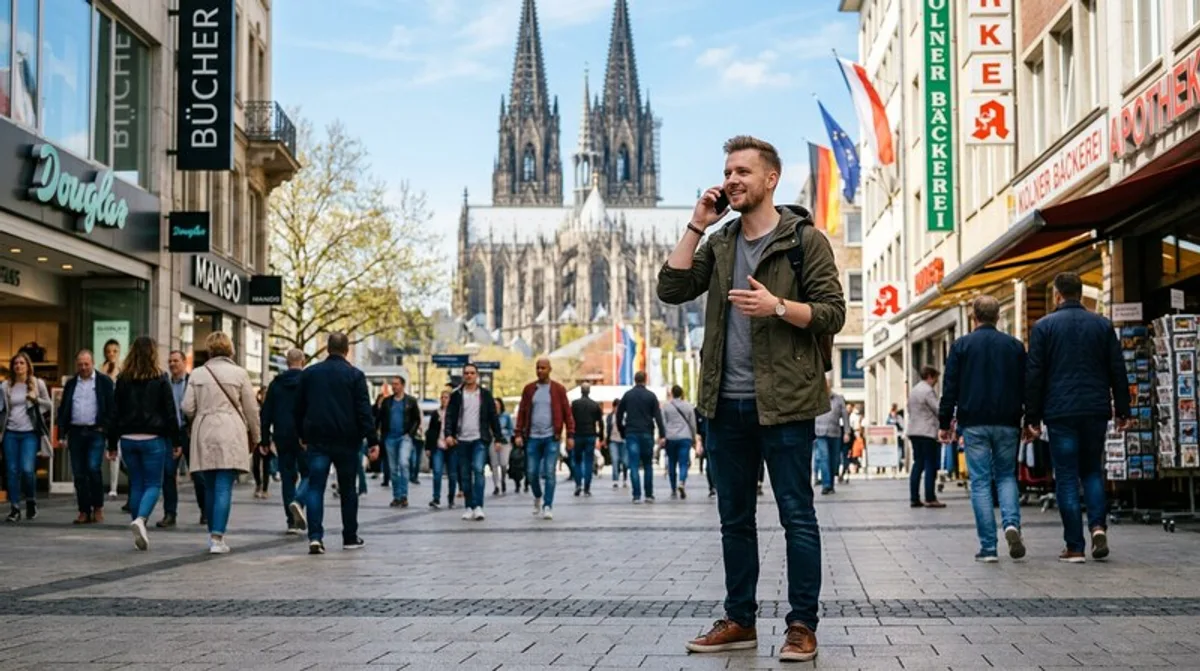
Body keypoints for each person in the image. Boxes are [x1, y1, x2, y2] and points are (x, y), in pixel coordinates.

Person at [657, 135, 845, 662]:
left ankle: (802, 626)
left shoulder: (804, 241)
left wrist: (778, 306)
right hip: (725, 403)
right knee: (734, 519)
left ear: (770, 179)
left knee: (797, 517)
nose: (732, 179)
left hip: (785, 402)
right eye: (727, 171)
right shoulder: (719, 243)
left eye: (743, 171)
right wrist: (698, 223)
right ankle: (740, 619)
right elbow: (670, 289)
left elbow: (832, 313)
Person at [1025, 272, 1131, 563]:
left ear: (1057, 295)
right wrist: (1123, 410)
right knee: (1092, 471)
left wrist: (1031, 417)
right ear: (1081, 294)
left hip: (1060, 412)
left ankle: (1074, 546)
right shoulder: (1102, 325)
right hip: (1096, 409)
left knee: (1068, 477)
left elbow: (1034, 375)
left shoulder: (1043, 327)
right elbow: (1117, 370)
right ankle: (1098, 527)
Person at [938, 295, 1027, 562]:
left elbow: (950, 386)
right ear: (998, 317)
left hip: (974, 421)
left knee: (979, 482)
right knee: (1006, 476)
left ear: (972, 317)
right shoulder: (1014, 346)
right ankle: (1011, 524)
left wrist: (945, 423)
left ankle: (989, 547)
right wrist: (1030, 418)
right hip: (1007, 420)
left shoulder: (961, 346)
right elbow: (1026, 384)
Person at [294, 332, 380, 554]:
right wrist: (372, 440)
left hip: (317, 439)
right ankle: (349, 536)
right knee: (348, 489)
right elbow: (364, 411)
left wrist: (302, 435)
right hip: (347, 440)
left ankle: (315, 537)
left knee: (315, 487)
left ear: (326, 349)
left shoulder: (310, 374)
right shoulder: (355, 376)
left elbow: (298, 408)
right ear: (347, 350)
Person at [183, 332, 260, 554]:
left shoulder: (198, 373)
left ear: (209, 350)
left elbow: (187, 407)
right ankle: (218, 536)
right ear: (230, 349)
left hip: (204, 429)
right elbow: (251, 410)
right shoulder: (239, 374)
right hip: (230, 430)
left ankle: (212, 534)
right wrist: (256, 436)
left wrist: (201, 415)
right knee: (224, 485)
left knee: (209, 484)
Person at [109, 337, 180, 550]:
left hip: (128, 439)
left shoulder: (122, 379)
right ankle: (140, 520)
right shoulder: (160, 378)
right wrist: (176, 441)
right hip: (153, 439)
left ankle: (138, 526)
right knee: (153, 485)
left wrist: (112, 444)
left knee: (137, 484)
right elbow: (170, 412)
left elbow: (114, 413)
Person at [57, 349, 116, 524]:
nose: (83, 367)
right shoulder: (71, 384)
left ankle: (98, 506)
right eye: (80, 364)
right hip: (75, 432)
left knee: (92, 468)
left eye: (86, 364)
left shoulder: (104, 382)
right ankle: (84, 510)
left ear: (93, 363)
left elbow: (111, 410)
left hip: (95, 432)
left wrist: (111, 439)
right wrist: (61, 433)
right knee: (79, 473)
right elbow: (63, 410)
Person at [514, 358, 574, 520]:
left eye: (543, 368)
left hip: (551, 438)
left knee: (549, 472)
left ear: (549, 369)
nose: (540, 371)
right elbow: (522, 413)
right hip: (532, 437)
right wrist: (518, 433)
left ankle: (548, 505)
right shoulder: (529, 389)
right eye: (538, 368)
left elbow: (567, 413)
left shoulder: (558, 389)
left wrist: (570, 434)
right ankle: (538, 496)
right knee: (531, 472)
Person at [444, 363, 505, 521]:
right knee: (464, 475)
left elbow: (493, 417)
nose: (469, 376)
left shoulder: (485, 394)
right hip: (461, 440)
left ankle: (478, 506)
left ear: (476, 375)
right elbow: (449, 416)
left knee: (478, 470)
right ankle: (469, 506)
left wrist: (498, 438)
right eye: (466, 373)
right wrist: (448, 434)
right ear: (463, 375)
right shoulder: (457, 395)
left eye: (472, 373)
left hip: (479, 439)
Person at [261, 348, 308, 534]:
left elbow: (266, 413)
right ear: (302, 361)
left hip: (282, 435)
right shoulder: (308, 382)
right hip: (304, 437)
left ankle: (292, 522)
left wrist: (265, 439)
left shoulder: (276, 384)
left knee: (287, 477)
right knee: (309, 474)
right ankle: (299, 501)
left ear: (287, 362)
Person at [1, 352, 52, 523]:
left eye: (22, 363)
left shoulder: (37, 383)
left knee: (27, 469)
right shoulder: (5, 386)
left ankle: (31, 501)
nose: (19, 366)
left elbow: (49, 404)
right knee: (12, 471)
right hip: (10, 432)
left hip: (29, 432)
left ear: (28, 366)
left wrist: (35, 399)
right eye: (16, 363)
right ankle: (15, 507)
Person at [158, 350, 204, 528]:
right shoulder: (164, 384)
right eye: (170, 361)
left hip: (189, 432)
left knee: (198, 474)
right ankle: (170, 513)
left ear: (184, 362)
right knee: (168, 474)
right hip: (170, 434)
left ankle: (205, 511)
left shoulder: (193, 382)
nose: (172, 364)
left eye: (176, 361)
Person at [617, 371, 667, 503]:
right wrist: (662, 434)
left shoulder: (627, 396)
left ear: (634, 380)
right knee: (647, 464)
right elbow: (658, 416)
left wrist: (622, 431)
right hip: (647, 432)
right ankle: (649, 494)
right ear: (646, 379)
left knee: (633, 464)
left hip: (631, 432)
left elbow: (619, 415)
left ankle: (636, 495)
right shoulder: (651, 396)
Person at [378, 375, 422, 508]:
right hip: (390, 438)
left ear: (402, 385)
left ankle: (404, 495)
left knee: (403, 463)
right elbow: (379, 419)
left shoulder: (410, 401)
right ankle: (396, 496)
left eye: (396, 384)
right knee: (393, 469)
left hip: (405, 437)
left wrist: (410, 434)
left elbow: (416, 419)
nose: (394, 386)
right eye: (393, 384)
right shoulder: (387, 402)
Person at [907, 367, 945, 509]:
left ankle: (914, 497)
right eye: (935, 378)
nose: (936, 382)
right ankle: (930, 497)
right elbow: (937, 409)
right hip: (927, 432)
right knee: (930, 465)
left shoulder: (914, 390)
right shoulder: (928, 391)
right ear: (929, 376)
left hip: (914, 431)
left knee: (918, 464)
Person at [812, 377, 849, 495]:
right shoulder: (816, 398)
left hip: (835, 432)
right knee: (824, 457)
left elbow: (845, 416)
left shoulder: (838, 399)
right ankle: (826, 485)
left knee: (834, 460)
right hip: (820, 432)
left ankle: (831, 484)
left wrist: (847, 432)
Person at [662, 385, 698, 499]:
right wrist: (693, 438)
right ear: (682, 393)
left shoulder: (666, 407)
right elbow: (693, 424)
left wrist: (663, 436)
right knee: (683, 462)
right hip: (685, 437)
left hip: (671, 437)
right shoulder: (688, 406)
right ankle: (681, 482)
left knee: (671, 463)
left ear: (672, 393)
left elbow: (663, 423)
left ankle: (673, 488)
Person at [570, 383, 604, 497]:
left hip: (578, 434)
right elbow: (600, 422)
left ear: (581, 391)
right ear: (589, 391)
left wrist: (570, 435)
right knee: (589, 461)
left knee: (577, 461)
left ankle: (578, 484)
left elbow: (570, 420)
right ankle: (587, 488)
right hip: (590, 435)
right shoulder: (594, 405)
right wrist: (601, 437)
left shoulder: (575, 404)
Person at [427, 388, 455, 509]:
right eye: (442, 397)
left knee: (452, 474)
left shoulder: (455, 414)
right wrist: (428, 447)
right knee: (437, 472)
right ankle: (436, 498)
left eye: (446, 397)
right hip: (438, 446)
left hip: (452, 446)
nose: (444, 400)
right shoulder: (436, 413)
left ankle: (451, 498)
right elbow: (430, 431)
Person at [492, 398, 515, 496]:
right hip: (492, 441)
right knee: (494, 464)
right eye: (494, 404)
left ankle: (503, 480)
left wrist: (503, 433)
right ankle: (496, 486)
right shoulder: (490, 416)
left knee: (503, 463)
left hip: (504, 441)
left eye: (497, 404)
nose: (496, 406)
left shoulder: (506, 416)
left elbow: (511, 429)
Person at [606, 398, 627, 489]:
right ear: (613, 407)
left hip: (623, 441)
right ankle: (615, 480)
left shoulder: (625, 416)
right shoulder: (610, 416)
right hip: (613, 440)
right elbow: (608, 429)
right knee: (615, 460)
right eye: (616, 407)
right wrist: (606, 440)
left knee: (625, 461)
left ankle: (625, 479)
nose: (617, 409)